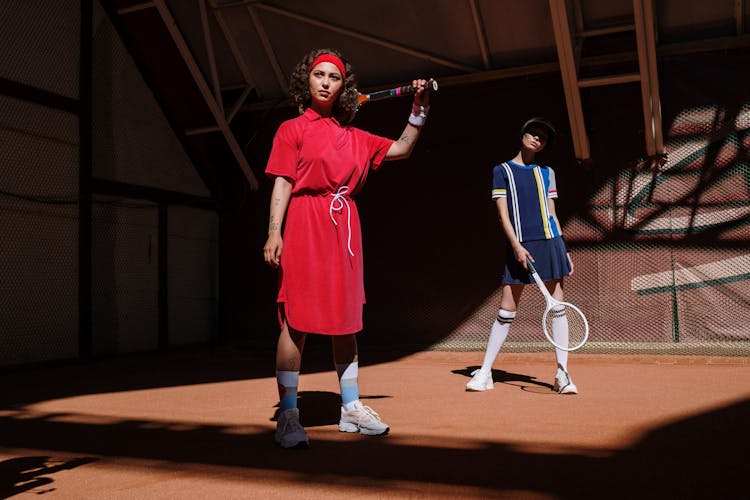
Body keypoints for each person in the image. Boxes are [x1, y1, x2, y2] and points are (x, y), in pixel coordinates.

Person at [263, 48, 431, 448]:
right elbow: (283, 182)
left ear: (343, 87)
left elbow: (402, 148)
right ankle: (288, 416)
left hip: (345, 231)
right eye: (318, 74)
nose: (324, 81)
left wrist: (419, 110)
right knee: (296, 321)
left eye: (333, 77)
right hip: (303, 224)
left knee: (346, 321)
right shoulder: (292, 129)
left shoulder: (357, 137)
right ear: (307, 81)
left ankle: (351, 409)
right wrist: (274, 232)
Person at [466, 117, 578, 395]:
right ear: (522, 135)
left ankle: (562, 375)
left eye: (543, 137)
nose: (537, 138)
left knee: (557, 306)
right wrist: (516, 245)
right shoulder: (501, 170)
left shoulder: (547, 172)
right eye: (533, 132)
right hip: (520, 244)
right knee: (507, 307)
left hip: (550, 242)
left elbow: (551, 212)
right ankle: (486, 372)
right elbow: (503, 214)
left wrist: (562, 246)